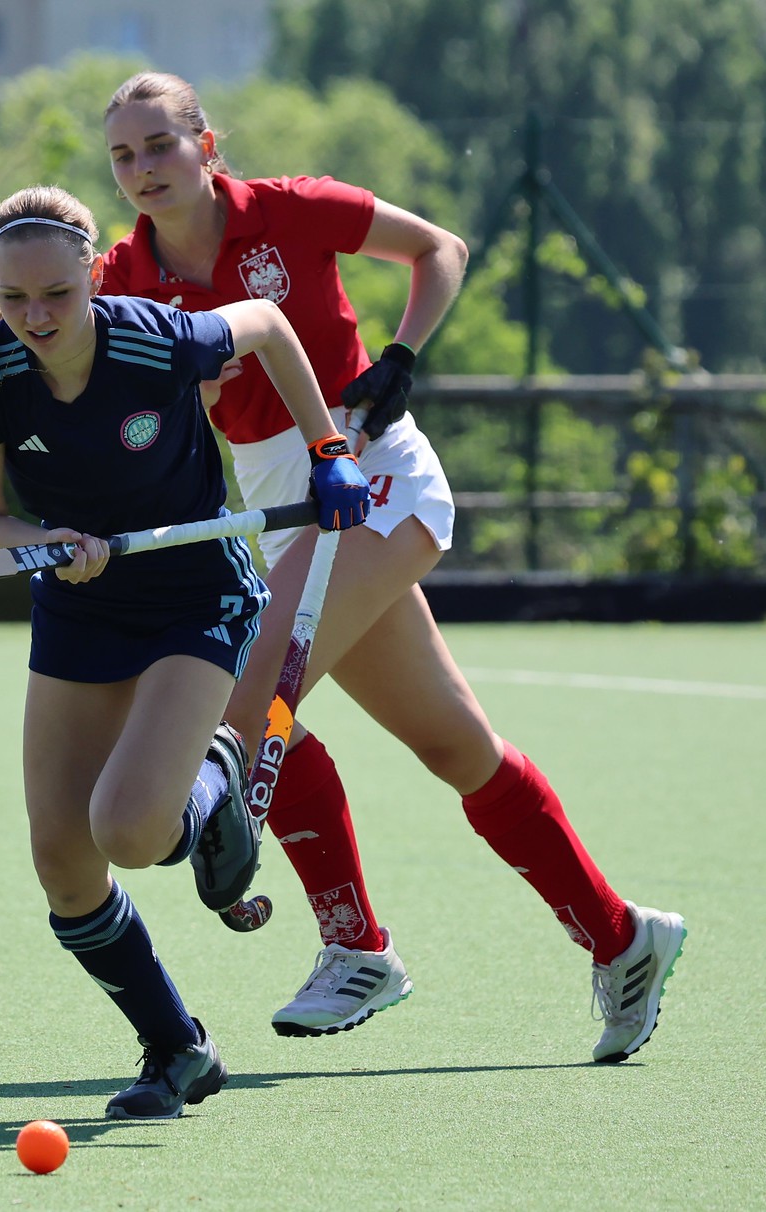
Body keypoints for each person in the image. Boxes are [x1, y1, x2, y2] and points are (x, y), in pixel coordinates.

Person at [100, 71, 685, 1061]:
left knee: (248, 701)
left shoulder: (290, 208)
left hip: (369, 475)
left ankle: (354, 946)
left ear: (206, 144)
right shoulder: (122, 276)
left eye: (160, 144)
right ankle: (622, 938)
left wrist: (402, 356)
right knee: (455, 747)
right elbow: (130, 407)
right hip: (274, 499)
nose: (143, 169)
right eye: (123, 155)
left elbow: (439, 249)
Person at [0, 185, 369, 1118]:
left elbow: (267, 324)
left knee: (129, 832)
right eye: (13, 299)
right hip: (80, 610)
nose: (34, 318)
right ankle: (177, 1048)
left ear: (94, 274)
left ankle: (213, 775)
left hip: (195, 596)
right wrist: (46, 541)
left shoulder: (157, 339)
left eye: (56, 293)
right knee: (62, 861)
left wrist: (328, 448)